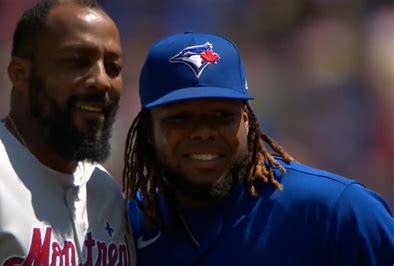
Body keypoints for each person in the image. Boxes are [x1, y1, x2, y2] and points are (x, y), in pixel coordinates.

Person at [124, 32, 394, 266]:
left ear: (247, 121)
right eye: (180, 118)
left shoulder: (338, 214)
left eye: (222, 116)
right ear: (149, 131)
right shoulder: (130, 227)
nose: (204, 132)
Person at [0, 1, 135, 265]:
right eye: (77, 61)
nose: (102, 80)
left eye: (113, 67)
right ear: (20, 74)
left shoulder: (106, 194)